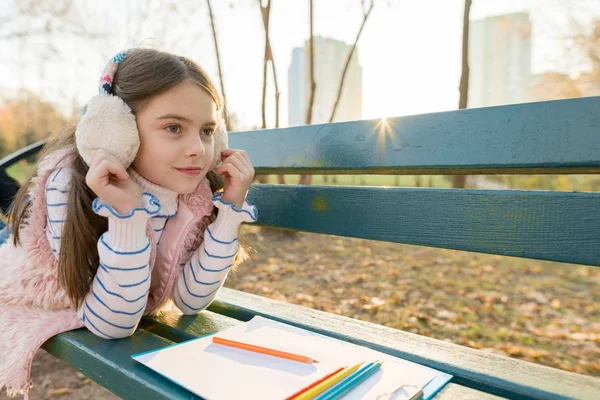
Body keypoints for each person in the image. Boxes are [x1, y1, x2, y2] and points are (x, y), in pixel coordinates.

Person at [0, 48, 257, 398]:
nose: (198, 148)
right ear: (115, 131)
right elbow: (113, 324)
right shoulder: (67, 182)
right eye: (173, 127)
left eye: (208, 130)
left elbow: (191, 301)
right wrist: (127, 216)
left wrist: (229, 209)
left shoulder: (191, 194)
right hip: (27, 282)